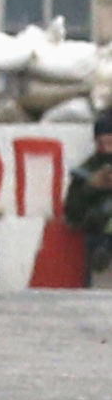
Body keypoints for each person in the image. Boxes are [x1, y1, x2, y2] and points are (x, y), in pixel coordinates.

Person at [64, 113, 112, 280]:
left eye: (110, 143)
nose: (106, 149)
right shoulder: (86, 171)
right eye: (101, 143)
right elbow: (71, 212)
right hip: (97, 238)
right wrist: (90, 188)